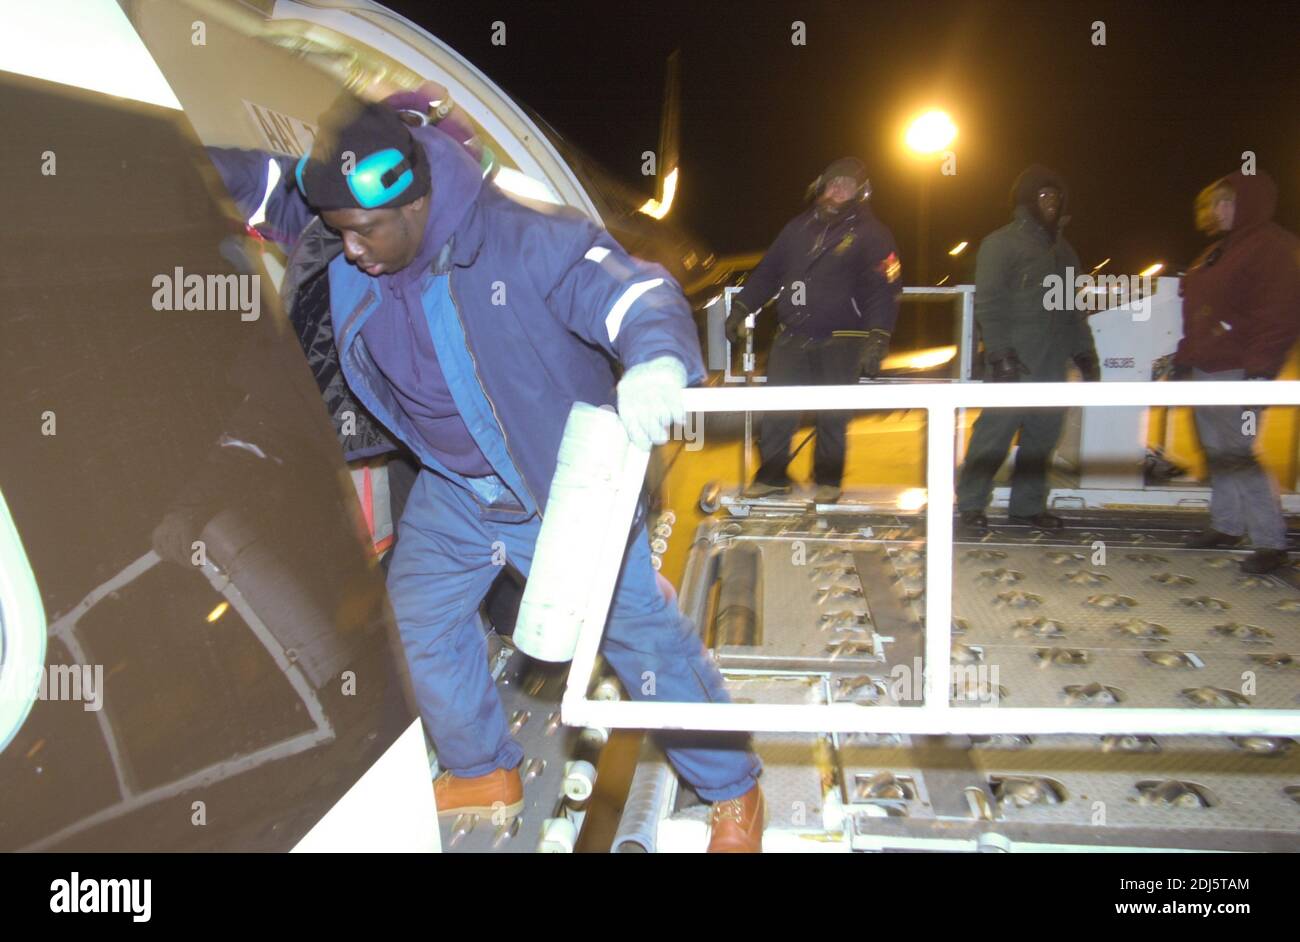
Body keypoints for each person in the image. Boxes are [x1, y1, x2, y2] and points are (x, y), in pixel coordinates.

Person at [207, 93, 765, 852]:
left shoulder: (521, 238)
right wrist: (151, 155)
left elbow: (633, 291)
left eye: (366, 232)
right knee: (418, 619)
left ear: (414, 200)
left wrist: (657, 360)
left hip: (555, 487)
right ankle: (482, 767)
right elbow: (267, 183)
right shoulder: (351, 222)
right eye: (340, 233)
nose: (353, 251)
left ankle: (733, 788)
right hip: (456, 486)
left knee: (640, 637)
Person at [725, 157, 901, 504]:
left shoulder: (874, 234)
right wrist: (742, 308)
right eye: (833, 183)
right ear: (821, 186)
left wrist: (878, 337)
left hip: (844, 339)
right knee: (778, 411)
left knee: (833, 415)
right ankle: (773, 477)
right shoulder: (796, 228)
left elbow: (885, 289)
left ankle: (828, 481)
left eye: (847, 186)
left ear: (860, 193)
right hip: (792, 336)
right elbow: (768, 273)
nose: (838, 190)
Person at [1164, 169, 1300, 573]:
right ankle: (1226, 525)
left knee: (1240, 452)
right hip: (1208, 370)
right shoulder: (1219, 251)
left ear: (1247, 204)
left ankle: (1270, 541)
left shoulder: (1273, 247)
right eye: (1213, 202)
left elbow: (1278, 316)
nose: (1215, 210)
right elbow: (1200, 314)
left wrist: (1260, 373)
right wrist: (1184, 358)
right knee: (1218, 450)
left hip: (1240, 371)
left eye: (1226, 201)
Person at [955, 165, 1099, 534]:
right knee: (994, 434)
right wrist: (999, 353)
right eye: (1043, 196)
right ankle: (970, 504)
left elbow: (1072, 310)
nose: (1050, 203)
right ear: (1027, 201)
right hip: (1013, 361)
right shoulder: (1000, 243)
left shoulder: (1066, 252)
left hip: (1052, 362)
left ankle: (1027, 506)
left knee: (1043, 436)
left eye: (1056, 197)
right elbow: (989, 302)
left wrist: (1085, 352)